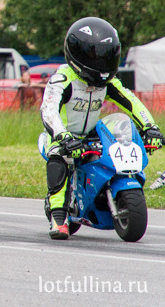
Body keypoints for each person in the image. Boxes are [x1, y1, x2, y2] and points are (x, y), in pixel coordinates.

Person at [40, 17, 163, 239]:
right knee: (59, 155)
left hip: (90, 135)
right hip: (61, 135)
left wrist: (150, 127)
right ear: (78, 55)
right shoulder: (62, 79)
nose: (103, 64)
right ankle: (58, 215)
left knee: (120, 142)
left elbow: (131, 101)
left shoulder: (107, 83)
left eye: (108, 57)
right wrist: (63, 136)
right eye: (97, 57)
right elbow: (48, 111)